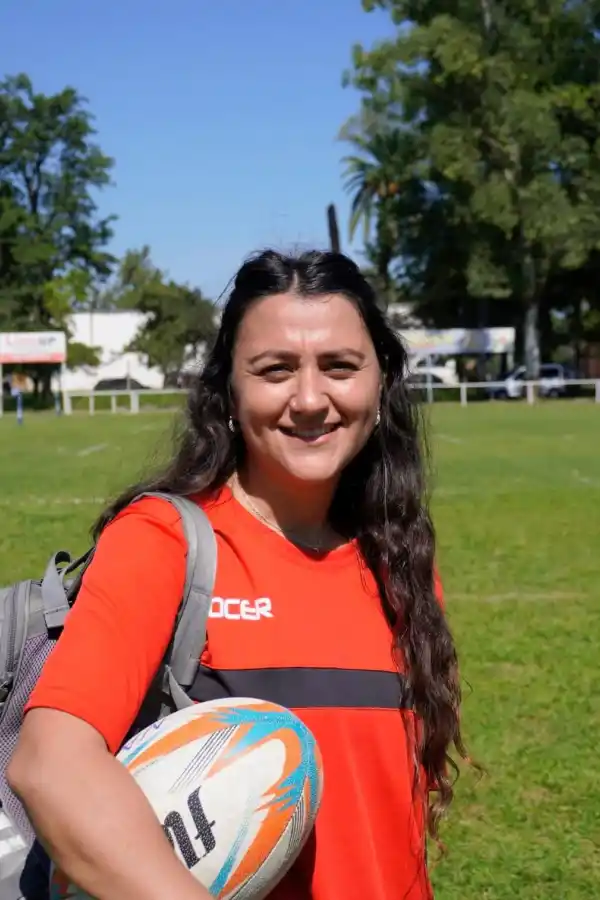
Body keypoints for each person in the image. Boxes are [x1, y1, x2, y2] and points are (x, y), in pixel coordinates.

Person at [8, 249, 468, 900]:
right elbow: (50, 765)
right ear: (230, 389)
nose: (310, 399)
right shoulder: (164, 541)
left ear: (382, 379)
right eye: (275, 370)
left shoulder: (399, 560)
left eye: (340, 366)